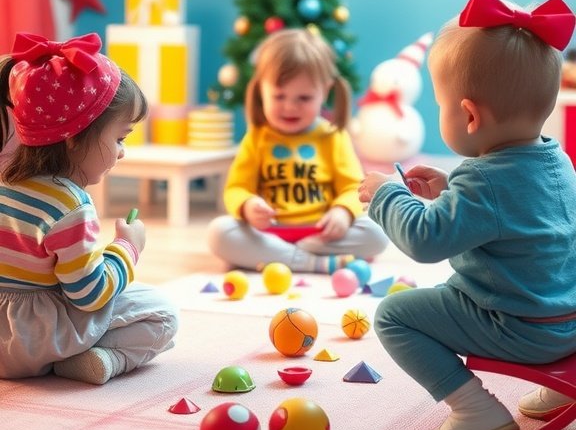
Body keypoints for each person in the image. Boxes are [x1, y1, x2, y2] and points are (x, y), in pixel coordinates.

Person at [359, 0, 576, 430]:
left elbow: (425, 240)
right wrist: (447, 191)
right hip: (567, 323)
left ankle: (473, 408)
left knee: (395, 315)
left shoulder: (483, 180)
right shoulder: (556, 160)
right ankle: (563, 388)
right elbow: (512, 219)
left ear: (469, 115)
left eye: (440, 104)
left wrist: (386, 196)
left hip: (517, 327)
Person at [0, 31, 178, 385]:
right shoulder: (70, 205)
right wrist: (127, 248)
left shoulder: (7, 185)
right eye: (120, 138)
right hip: (36, 341)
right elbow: (89, 295)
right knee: (162, 314)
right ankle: (101, 360)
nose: (122, 151)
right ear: (74, 138)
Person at [208, 28, 386, 273]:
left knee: (378, 233)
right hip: (269, 231)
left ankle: (281, 257)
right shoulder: (257, 137)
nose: (290, 107)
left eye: (303, 98)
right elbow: (236, 188)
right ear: (261, 91)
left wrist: (342, 212)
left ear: (324, 91)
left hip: (320, 232)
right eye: (279, 96)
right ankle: (313, 262)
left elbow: (353, 188)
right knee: (219, 233)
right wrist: (248, 205)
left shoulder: (332, 136)